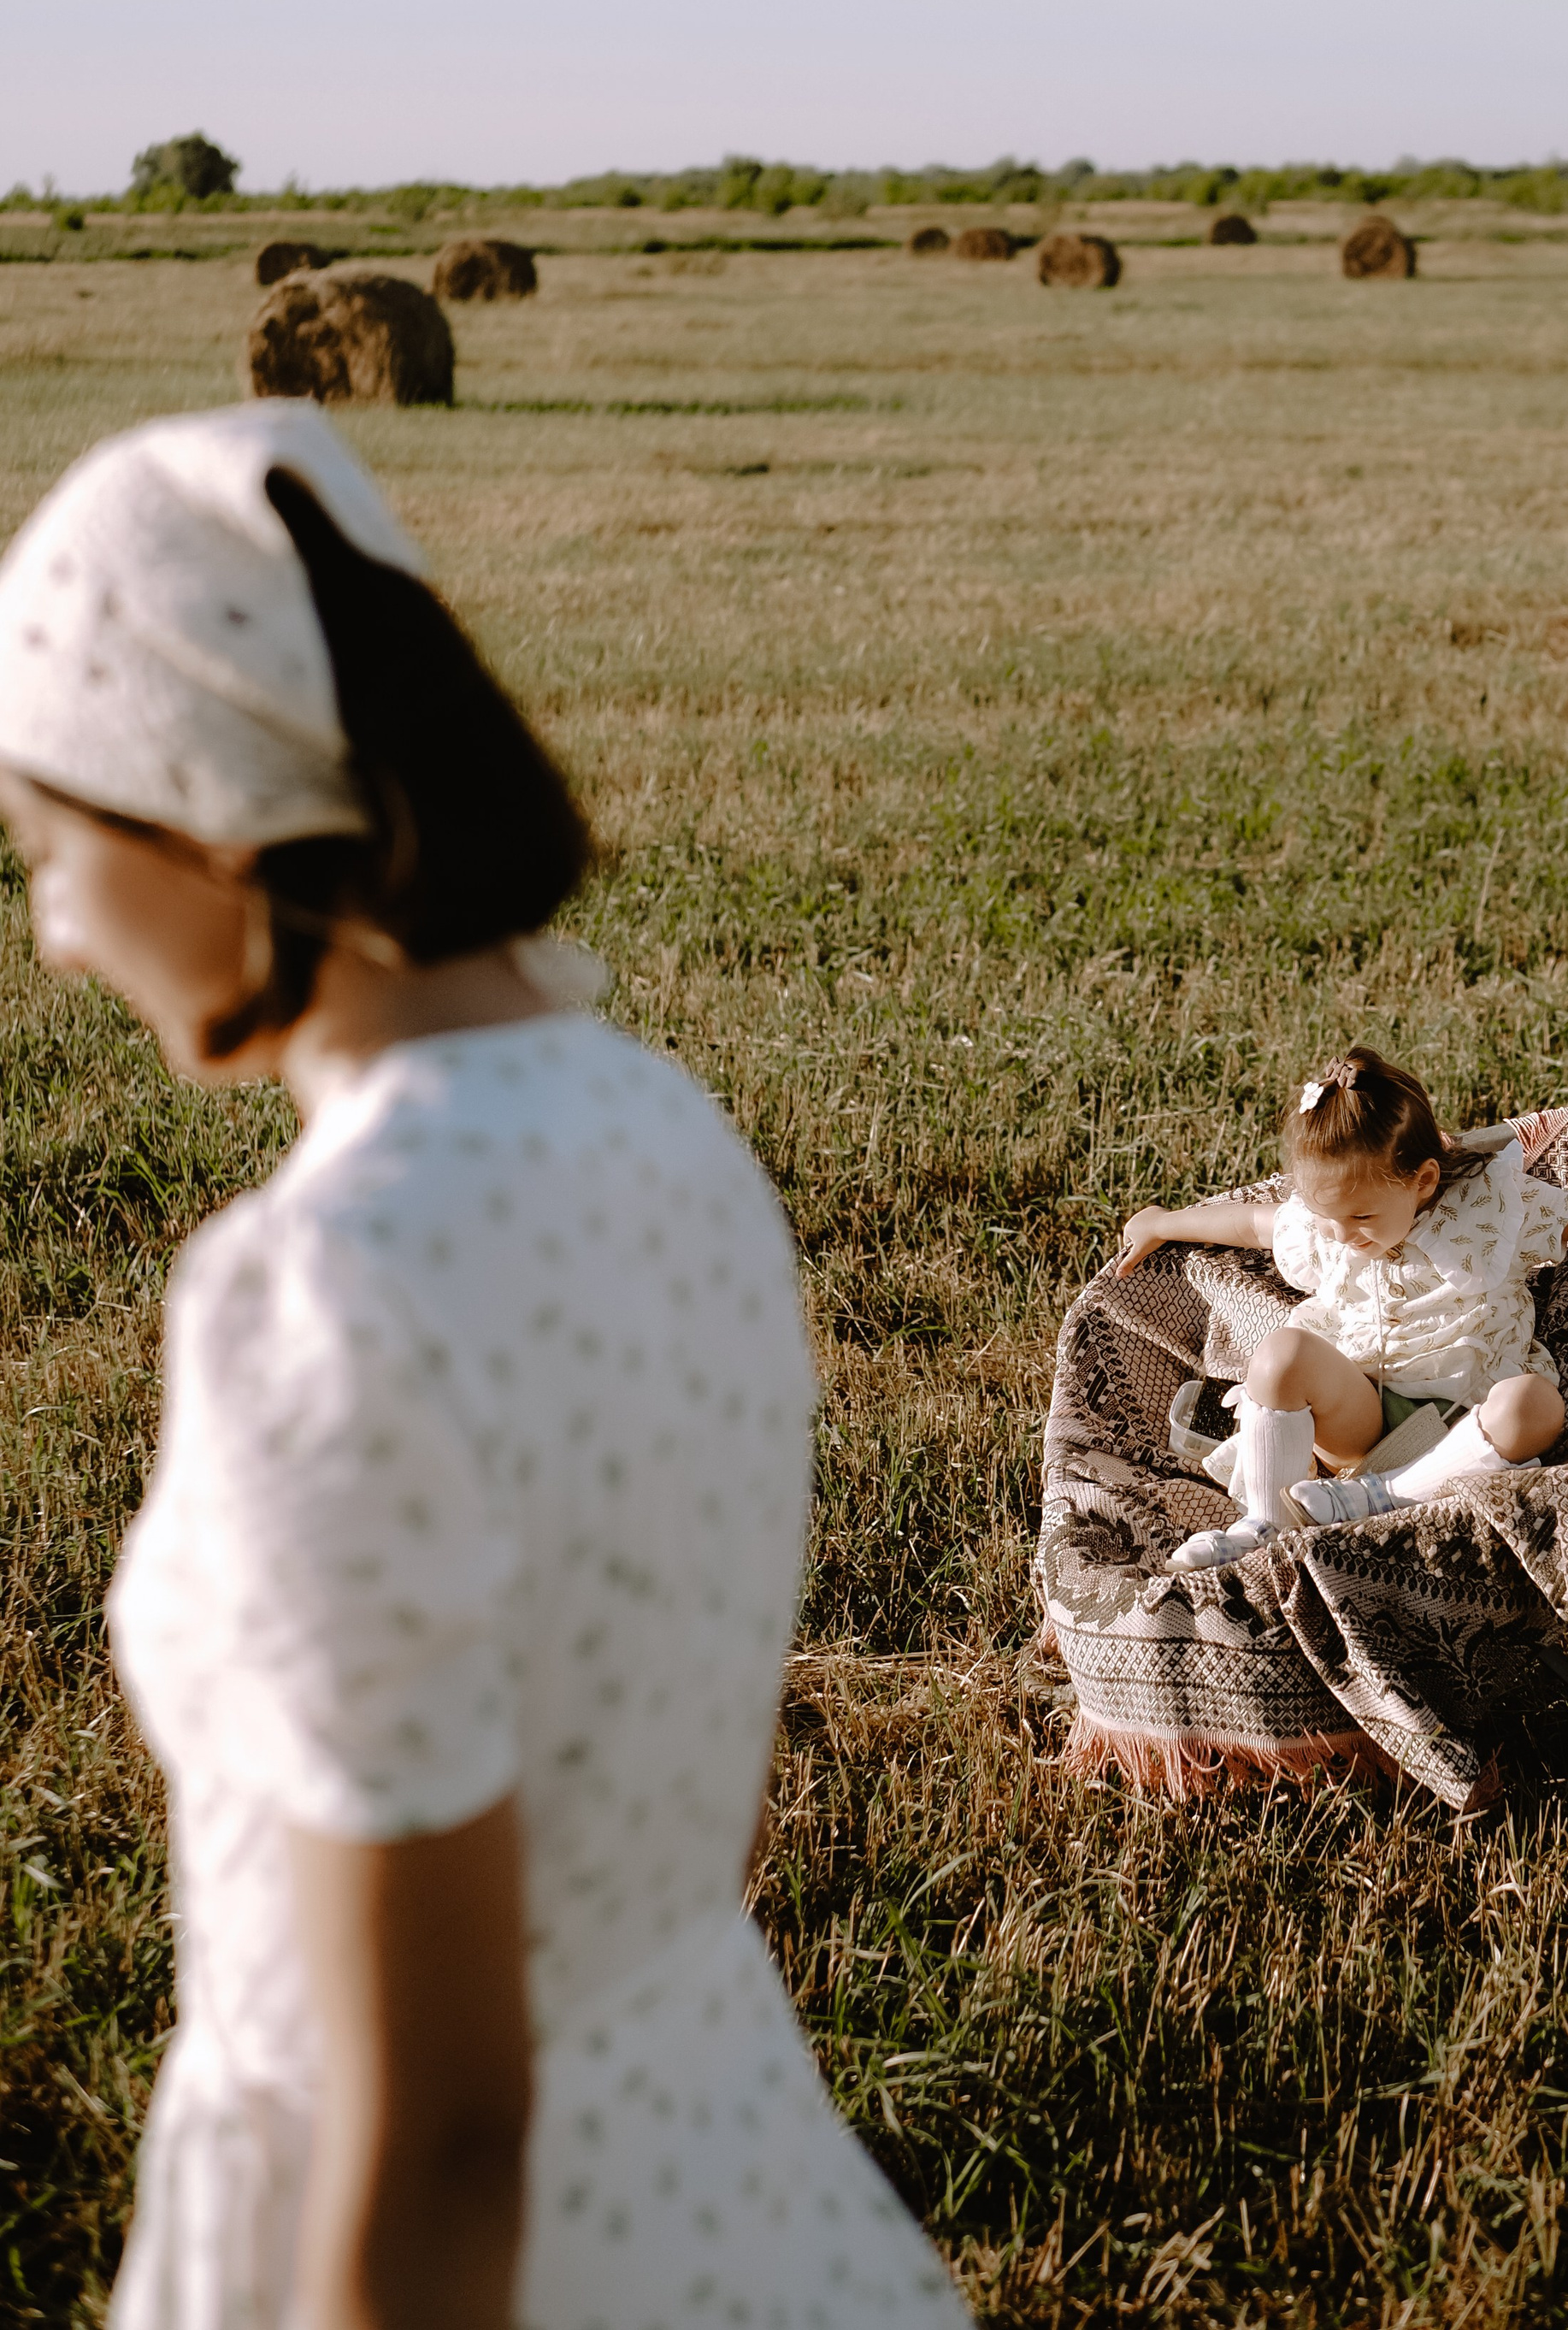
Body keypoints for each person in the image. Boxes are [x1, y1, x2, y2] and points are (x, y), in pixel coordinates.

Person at [0, 403, 965, 2328]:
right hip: (720, 2157)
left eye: (46, 846)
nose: (49, 931)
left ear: (209, 812)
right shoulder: (666, 1127)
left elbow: (439, 2129)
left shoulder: (322, 1288)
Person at [1117, 1046, 1568, 1568]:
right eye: (1327, 1218)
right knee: (1282, 1354)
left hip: (1462, 1427)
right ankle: (1264, 1521)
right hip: (1357, 1411)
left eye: (1358, 1216)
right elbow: (1255, 1225)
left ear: (1421, 1181)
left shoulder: (1496, 1207)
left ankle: (1388, 1499)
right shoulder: (1325, 1226)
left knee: (1536, 1403)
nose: (1340, 1234)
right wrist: (1166, 1220)